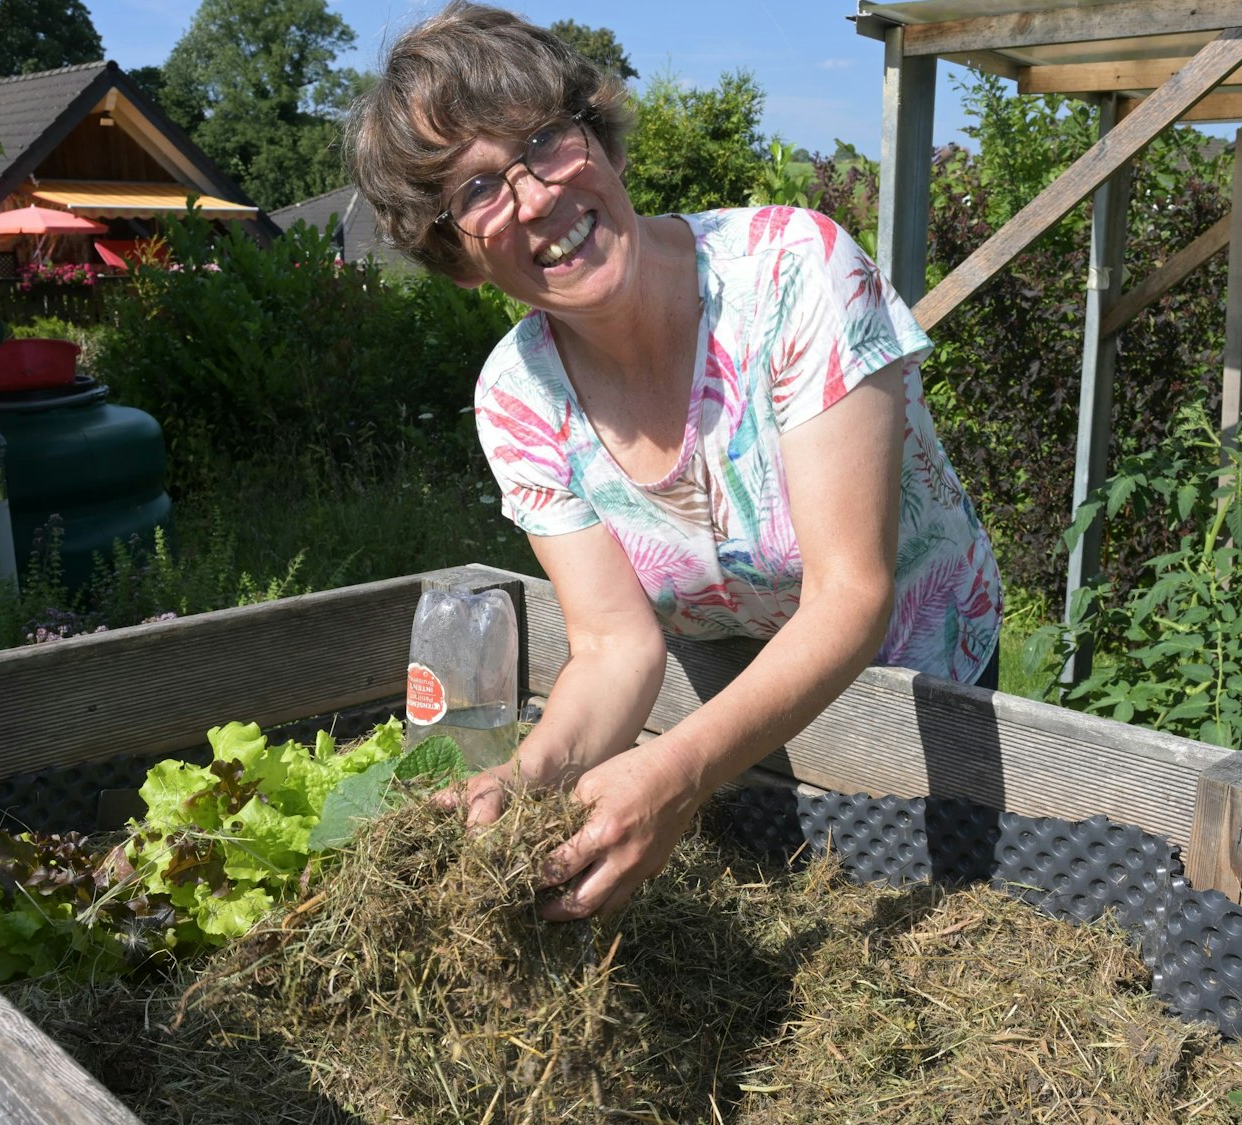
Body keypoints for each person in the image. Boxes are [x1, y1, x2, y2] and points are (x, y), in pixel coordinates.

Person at [347, 1, 999, 923]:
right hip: (736, 706)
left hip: (918, 679)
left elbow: (853, 594)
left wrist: (676, 772)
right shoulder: (518, 397)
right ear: (456, 255)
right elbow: (615, 645)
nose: (534, 196)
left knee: (957, 930)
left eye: (542, 140)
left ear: (598, 138)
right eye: (479, 190)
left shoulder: (792, 274)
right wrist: (521, 782)